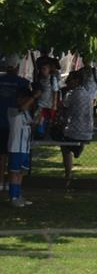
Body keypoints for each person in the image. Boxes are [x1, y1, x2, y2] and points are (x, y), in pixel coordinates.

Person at [0, 55, 32, 193]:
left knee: (2, 155)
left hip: (2, 122)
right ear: (17, 67)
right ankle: (11, 184)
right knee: (15, 158)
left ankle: (1, 182)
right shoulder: (23, 82)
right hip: (15, 126)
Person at [60, 71, 94, 180]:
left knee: (63, 145)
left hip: (76, 132)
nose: (67, 82)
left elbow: (63, 108)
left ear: (77, 81)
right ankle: (77, 149)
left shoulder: (72, 94)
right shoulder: (86, 93)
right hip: (88, 132)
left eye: (69, 80)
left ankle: (68, 175)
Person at [8, 82, 35, 207]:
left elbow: (30, 124)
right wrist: (34, 96)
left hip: (25, 147)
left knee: (21, 172)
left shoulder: (27, 112)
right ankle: (13, 197)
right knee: (15, 172)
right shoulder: (12, 110)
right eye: (23, 98)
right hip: (16, 147)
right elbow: (22, 108)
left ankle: (18, 195)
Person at [34, 59, 59, 137]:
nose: (42, 71)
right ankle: (39, 133)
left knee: (44, 119)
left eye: (44, 69)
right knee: (39, 119)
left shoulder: (52, 79)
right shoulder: (41, 79)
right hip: (41, 102)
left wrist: (54, 104)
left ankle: (41, 134)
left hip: (48, 104)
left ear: (49, 69)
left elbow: (55, 91)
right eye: (41, 69)